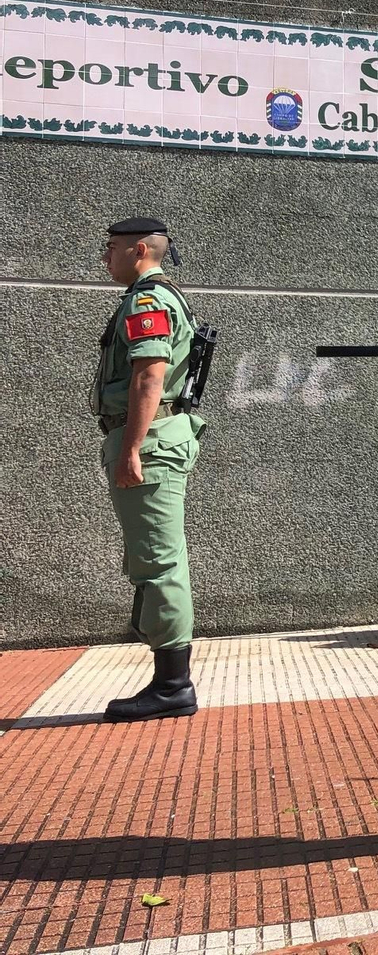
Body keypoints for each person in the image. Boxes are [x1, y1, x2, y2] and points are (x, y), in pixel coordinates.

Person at [95, 218, 207, 723]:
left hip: (151, 440)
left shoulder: (148, 299)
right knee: (157, 555)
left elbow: (149, 377)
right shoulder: (152, 296)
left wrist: (131, 449)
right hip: (156, 437)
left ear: (139, 249)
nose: (106, 257)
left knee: (160, 560)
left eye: (112, 248)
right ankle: (168, 678)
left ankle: (172, 686)